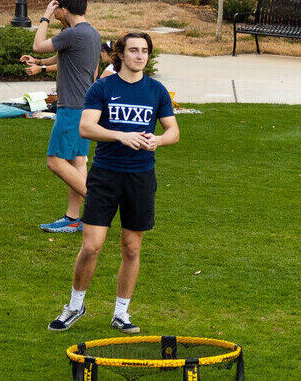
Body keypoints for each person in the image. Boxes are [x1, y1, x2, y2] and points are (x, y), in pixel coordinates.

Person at [49, 32, 181, 333]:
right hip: (106, 174)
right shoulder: (103, 88)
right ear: (120, 54)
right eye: (134, 50)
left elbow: (173, 131)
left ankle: (121, 312)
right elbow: (86, 127)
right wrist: (121, 135)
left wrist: (158, 140)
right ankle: (75, 305)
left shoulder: (156, 90)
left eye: (145, 51)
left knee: (131, 248)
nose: (140, 56)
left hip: (141, 177)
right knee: (92, 246)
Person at [23, 0, 101, 234]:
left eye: (55, 7)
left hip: (71, 109)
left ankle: (101, 202)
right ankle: (74, 219)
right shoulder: (91, 34)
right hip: (85, 107)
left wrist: (45, 17)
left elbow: (38, 44)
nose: (54, 10)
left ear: (63, 10)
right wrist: (39, 64)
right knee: (77, 162)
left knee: (55, 161)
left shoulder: (73, 34)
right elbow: (62, 58)